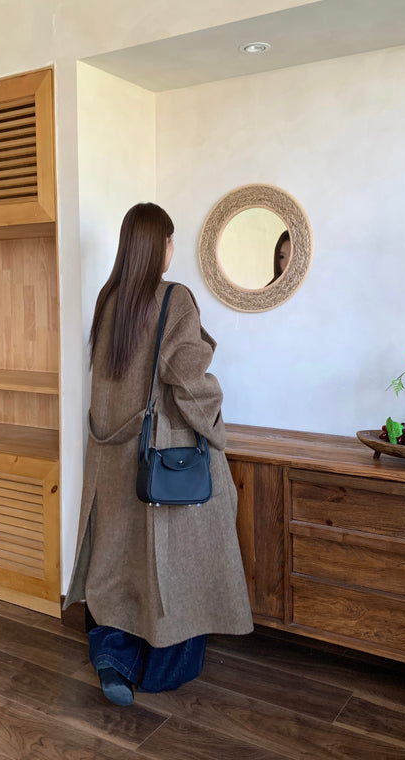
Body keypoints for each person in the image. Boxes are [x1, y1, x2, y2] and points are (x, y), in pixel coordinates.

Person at [63, 202, 253, 706]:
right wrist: (216, 428)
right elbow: (189, 381)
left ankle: (113, 657)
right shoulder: (174, 299)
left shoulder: (109, 299)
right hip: (161, 457)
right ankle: (161, 669)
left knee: (116, 561)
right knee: (178, 559)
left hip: (111, 459)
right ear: (161, 246)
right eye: (171, 241)